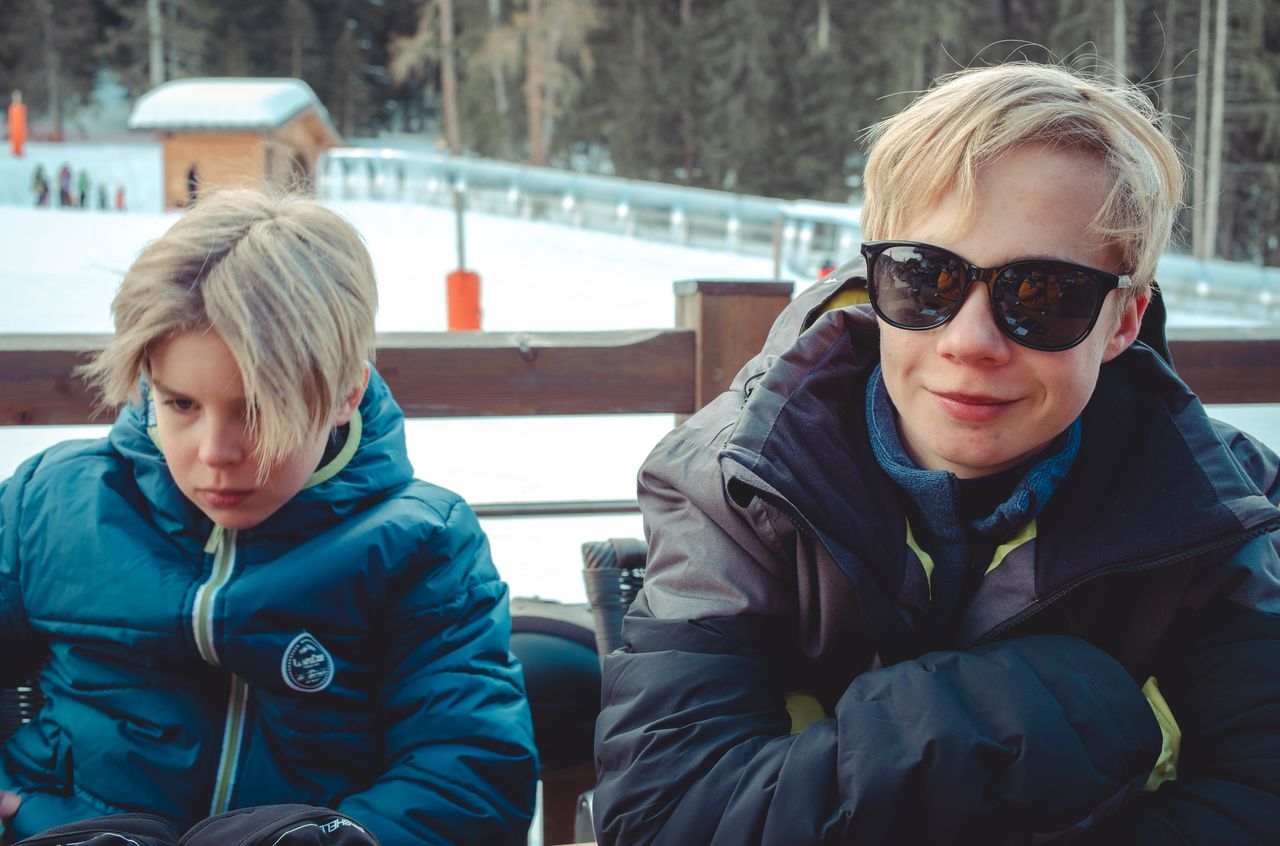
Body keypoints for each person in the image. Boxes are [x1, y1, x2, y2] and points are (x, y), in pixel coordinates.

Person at [594, 62, 1280, 844]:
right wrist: (1009, 710)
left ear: (1124, 319)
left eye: (1043, 295)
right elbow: (664, 817)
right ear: (873, 281)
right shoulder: (738, 480)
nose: (969, 342)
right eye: (926, 280)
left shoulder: (1224, 510)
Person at [0, 188, 538, 844]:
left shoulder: (424, 547)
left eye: (256, 409)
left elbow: (473, 777)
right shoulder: (52, 503)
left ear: (346, 393)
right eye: (180, 404)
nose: (215, 454)